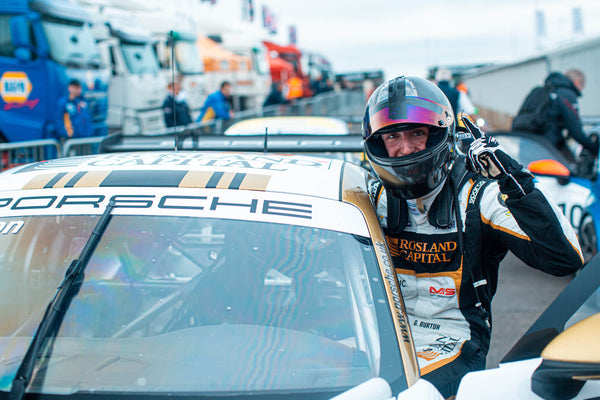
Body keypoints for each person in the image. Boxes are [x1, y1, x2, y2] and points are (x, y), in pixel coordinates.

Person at [362, 76, 583, 399]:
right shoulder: (368, 193)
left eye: (417, 133)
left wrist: (517, 186)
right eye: (392, 136)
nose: (405, 148)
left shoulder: (480, 195)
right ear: (377, 143)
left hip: (455, 340)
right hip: (382, 334)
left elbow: (564, 259)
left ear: (439, 133)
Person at [511, 69, 599, 161]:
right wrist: (594, 148)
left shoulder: (538, 91)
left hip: (525, 145)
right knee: (571, 168)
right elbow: (576, 131)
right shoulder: (566, 94)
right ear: (577, 82)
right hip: (546, 148)